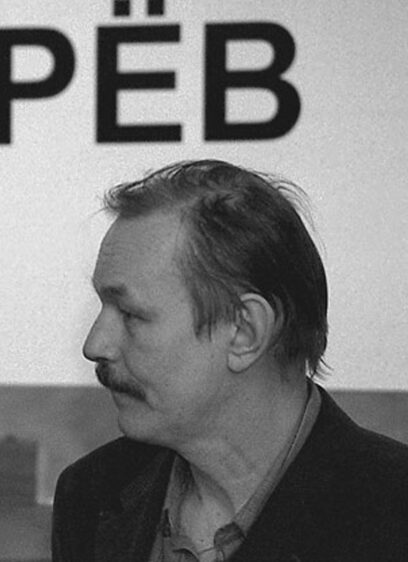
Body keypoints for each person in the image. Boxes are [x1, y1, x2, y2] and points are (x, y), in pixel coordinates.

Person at [52, 160, 408, 562]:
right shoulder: (92, 494)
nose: (95, 345)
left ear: (244, 332)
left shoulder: (392, 517)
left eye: (131, 314)